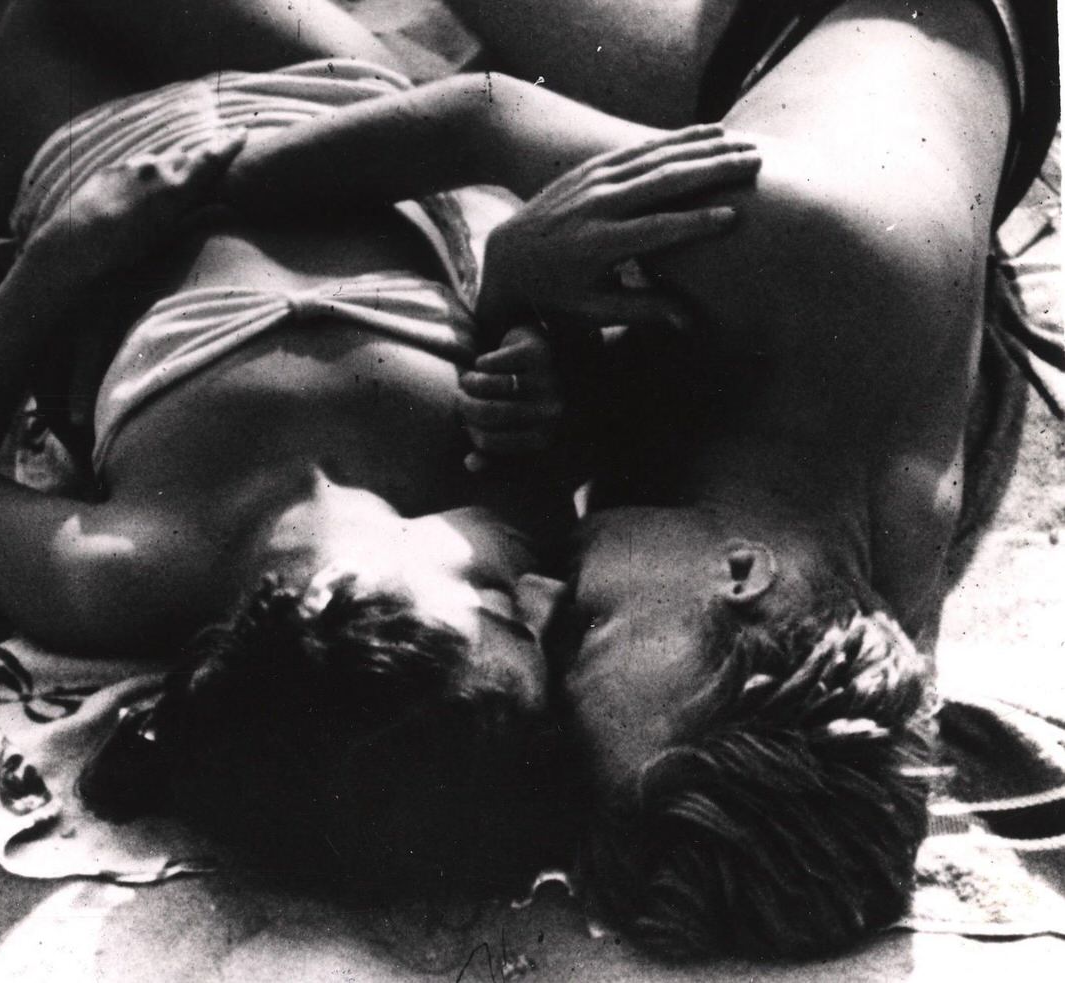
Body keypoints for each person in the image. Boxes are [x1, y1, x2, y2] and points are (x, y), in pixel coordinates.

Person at [0, 0, 756, 894]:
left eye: (494, 608)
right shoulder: (495, 513)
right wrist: (525, 344)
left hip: (101, 158)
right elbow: (526, 317)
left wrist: (59, 260)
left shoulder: (131, 567)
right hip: (349, 115)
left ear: (335, 602)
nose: (534, 594)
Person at [434, 0, 1057, 957]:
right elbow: (480, 115)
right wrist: (511, 271)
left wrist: (534, 333)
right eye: (586, 630)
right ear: (738, 575)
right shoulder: (780, 246)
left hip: (915, 112)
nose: (542, 591)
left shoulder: (826, 637)